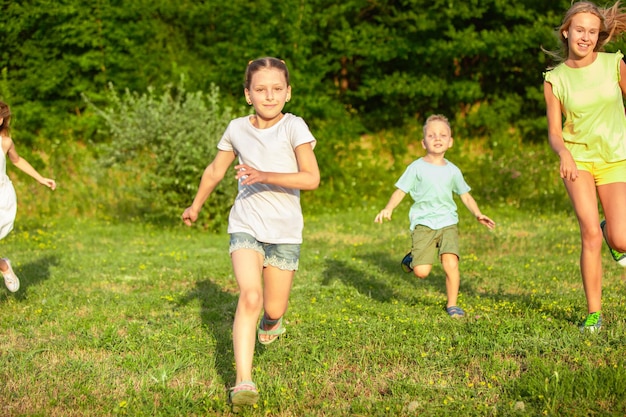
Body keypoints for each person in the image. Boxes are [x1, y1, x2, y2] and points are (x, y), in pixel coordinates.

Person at [181, 57, 320, 410]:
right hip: (246, 223)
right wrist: (196, 205)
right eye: (260, 90)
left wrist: (265, 174)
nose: (269, 96)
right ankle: (243, 381)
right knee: (250, 297)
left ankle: (273, 323)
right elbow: (214, 171)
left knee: (273, 307)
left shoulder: (294, 127)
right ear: (248, 94)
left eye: (277, 89)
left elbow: (311, 178)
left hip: (285, 231)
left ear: (288, 93)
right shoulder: (236, 129)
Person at [543, 1, 626, 332]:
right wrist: (563, 153)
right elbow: (554, 131)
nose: (586, 37)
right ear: (567, 32)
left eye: (593, 32)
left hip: (616, 157)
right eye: (580, 30)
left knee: (621, 239)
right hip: (578, 160)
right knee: (589, 232)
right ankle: (594, 314)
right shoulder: (555, 78)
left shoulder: (614, 64)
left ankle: (612, 232)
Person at [374, 114, 495, 318]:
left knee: (451, 263)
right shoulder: (416, 168)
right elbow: (400, 191)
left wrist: (478, 214)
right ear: (423, 142)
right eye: (431, 135)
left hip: (448, 223)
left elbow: (465, 195)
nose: (437, 138)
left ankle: (452, 304)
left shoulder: (453, 171)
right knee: (422, 272)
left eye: (442, 134)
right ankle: (414, 258)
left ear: (450, 141)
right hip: (424, 223)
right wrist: (389, 208)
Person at [0, 101, 56, 292]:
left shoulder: (5, 142)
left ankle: (4, 266)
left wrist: (40, 178)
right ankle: (3, 265)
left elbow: (17, 160)